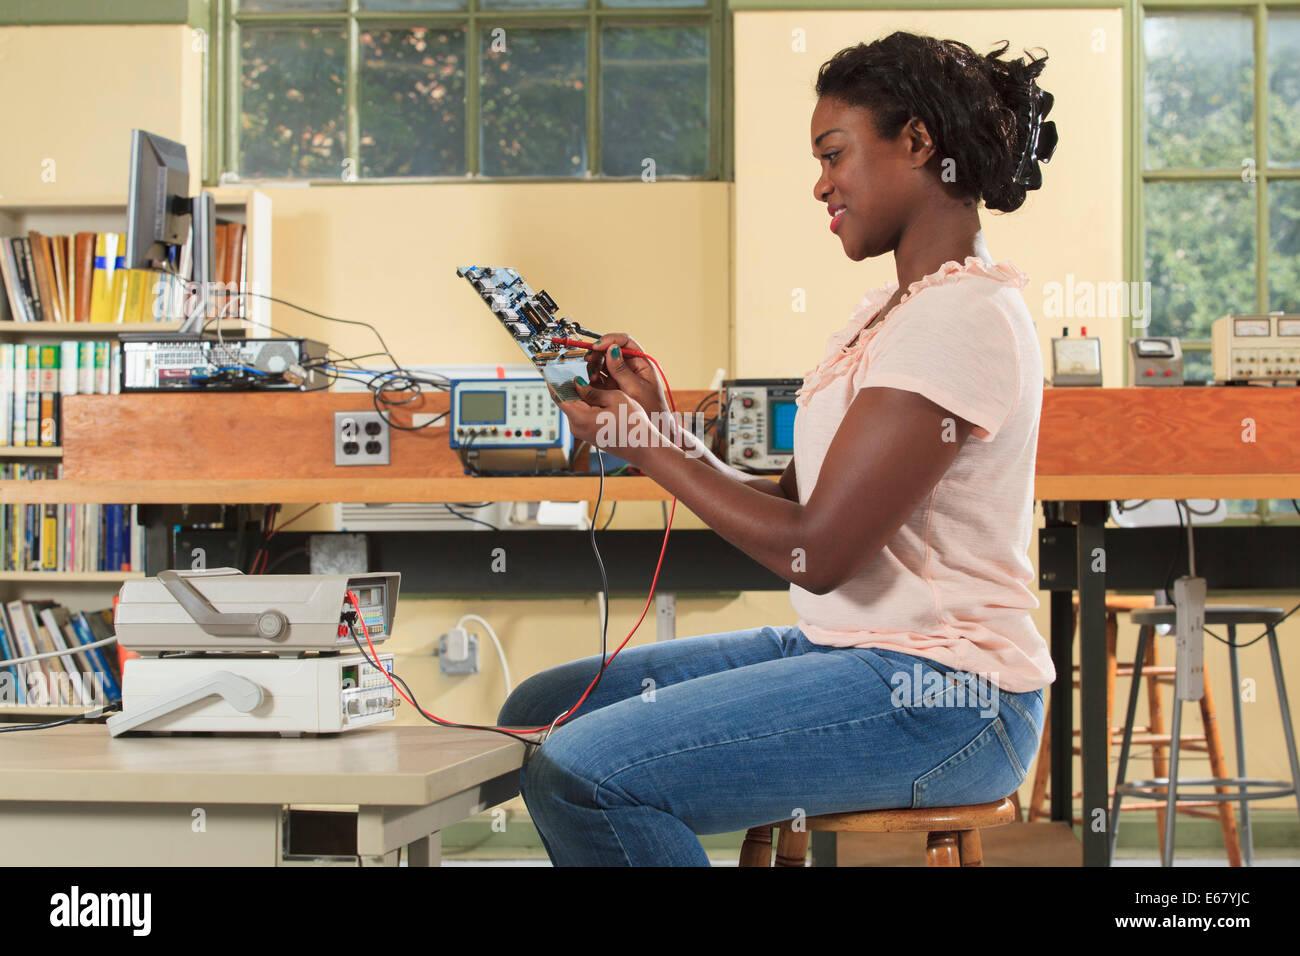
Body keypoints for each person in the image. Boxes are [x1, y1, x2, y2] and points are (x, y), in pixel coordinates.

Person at [497, 29, 1059, 866]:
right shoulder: (892, 314)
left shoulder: (961, 319)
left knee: (585, 773)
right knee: (546, 705)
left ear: (917, 143)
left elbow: (818, 553)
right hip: (853, 653)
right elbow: (800, 507)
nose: (821, 184)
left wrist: (649, 451)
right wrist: (669, 433)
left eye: (834, 155)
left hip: (951, 697)